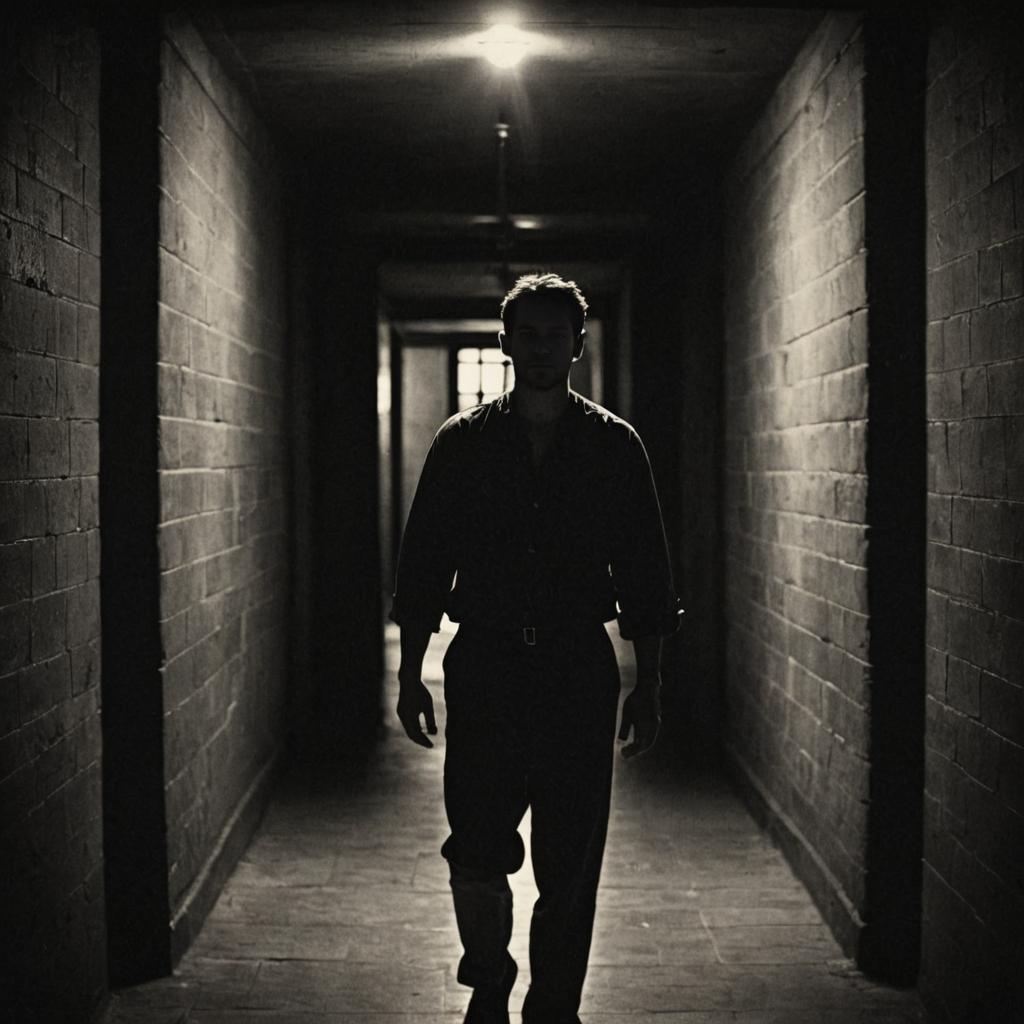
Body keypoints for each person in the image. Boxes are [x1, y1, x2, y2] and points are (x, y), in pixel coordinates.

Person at [390, 272, 680, 1023]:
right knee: (477, 843)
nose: (544, 347)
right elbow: (424, 563)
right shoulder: (463, 445)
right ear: (506, 340)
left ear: (579, 344)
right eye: (530, 333)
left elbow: (647, 573)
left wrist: (649, 684)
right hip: (485, 667)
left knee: (569, 859)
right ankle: (488, 976)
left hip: (575, 671)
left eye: (558, 334)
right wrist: (410, 672)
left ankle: (554, 1005)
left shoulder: (615, 447)